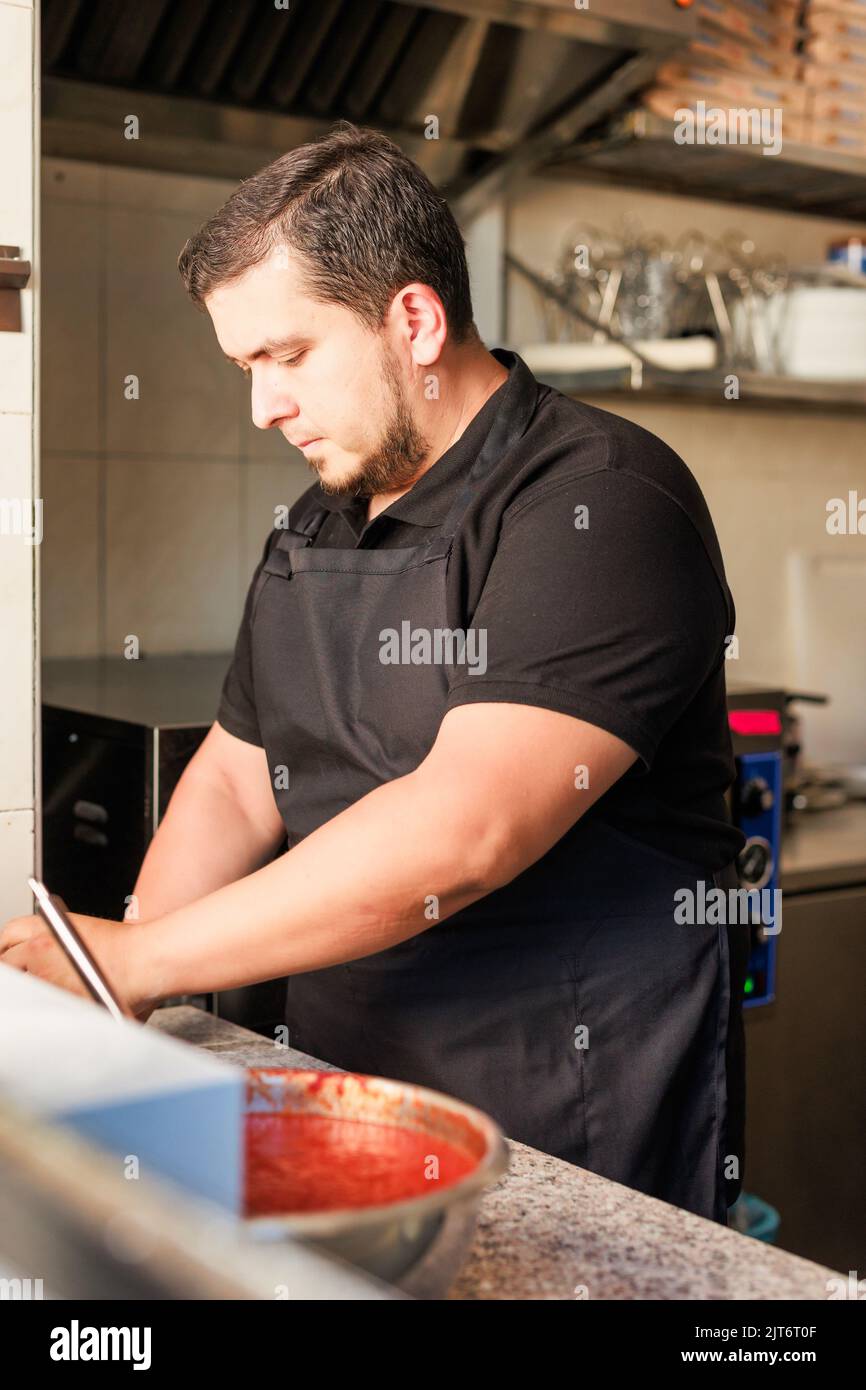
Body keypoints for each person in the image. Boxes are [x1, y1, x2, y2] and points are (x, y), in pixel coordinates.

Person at [0, 124, 748, 1223]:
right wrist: (112, 988)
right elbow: (232, 779)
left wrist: (141, 961)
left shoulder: (600, 501)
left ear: (414, 319)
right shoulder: (317, 524)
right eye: (245, 367)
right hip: (348, 1106)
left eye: (286, 357)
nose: (262, 407)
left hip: (565, 1120)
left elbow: (461, 831)